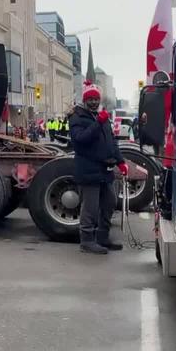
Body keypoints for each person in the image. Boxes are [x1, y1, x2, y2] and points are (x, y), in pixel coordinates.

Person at [69, 81, 128, 255]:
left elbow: (112, 142)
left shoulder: (101, 117)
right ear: (85, 100)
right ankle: (87, 241)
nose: (94, 102)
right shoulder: (77, 117)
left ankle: (102, 237)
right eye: (90, 99)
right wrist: (98, 123)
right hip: (88, 170)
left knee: (110, 203)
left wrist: (120, 161)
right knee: (90, 208)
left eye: (96, 99)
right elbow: (80, 139)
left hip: (105, 171)